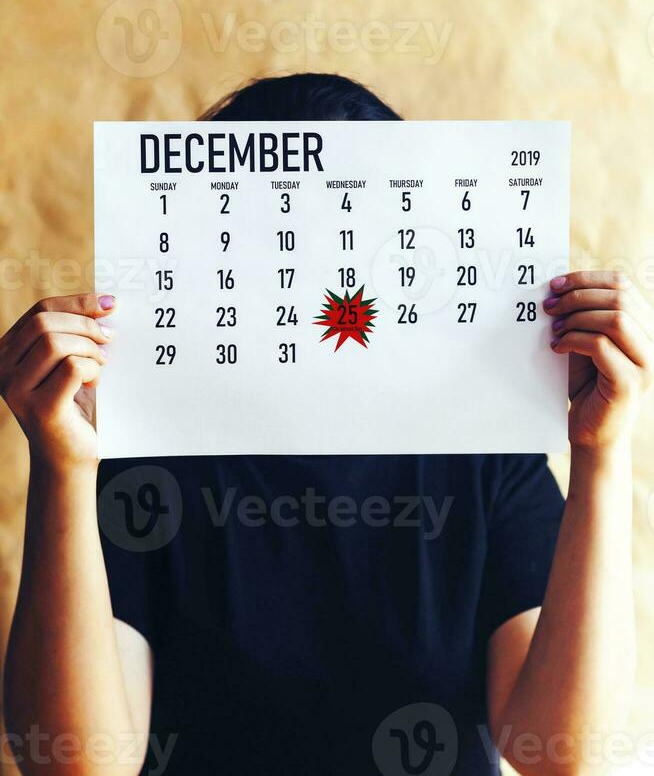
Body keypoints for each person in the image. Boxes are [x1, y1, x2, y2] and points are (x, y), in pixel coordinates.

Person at [1, 73, 652, 776]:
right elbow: (76, 764)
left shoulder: (481, 455)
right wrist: (62, 467)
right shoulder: (149, 459)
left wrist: (602, 454)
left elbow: (563, 753)